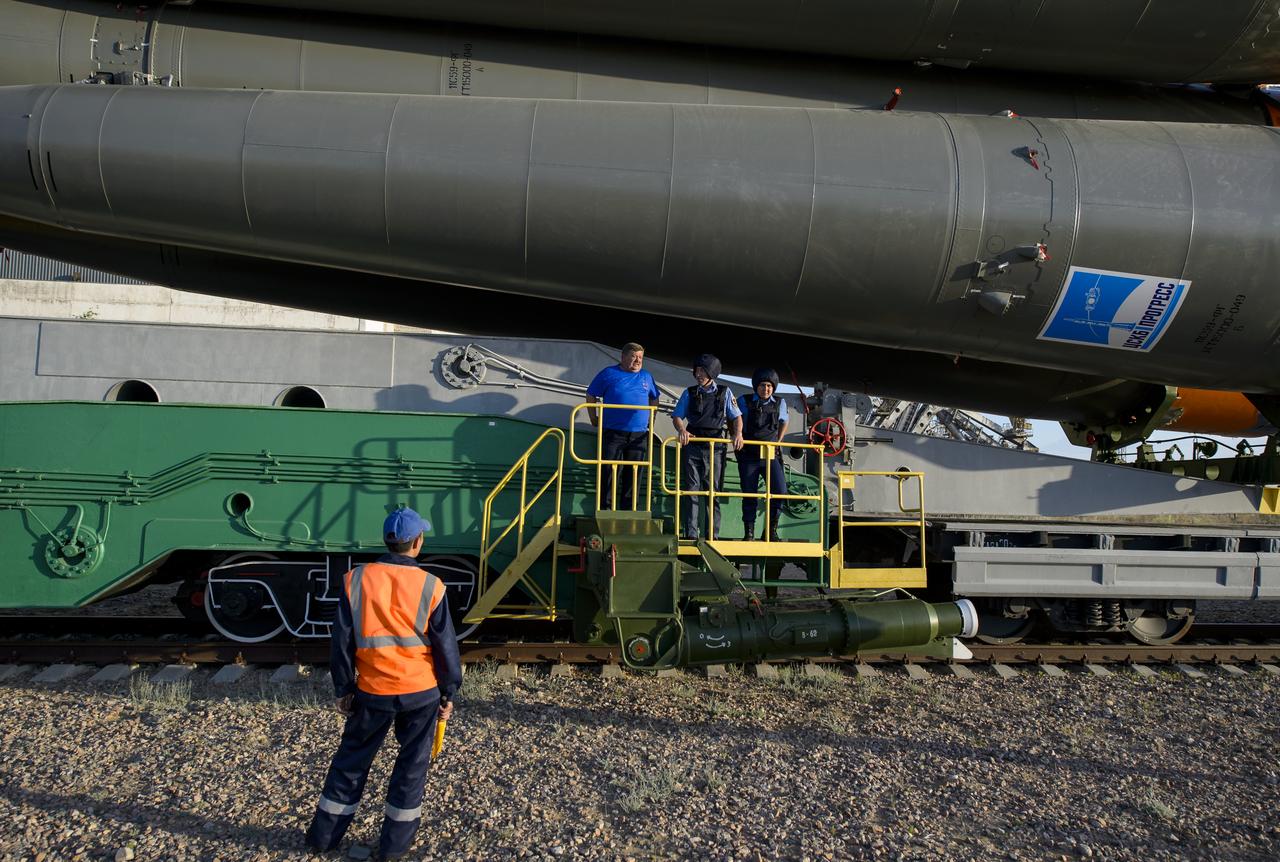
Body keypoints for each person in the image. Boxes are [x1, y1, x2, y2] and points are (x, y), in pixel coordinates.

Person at [306, 507, 462, 860]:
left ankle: (323, 839)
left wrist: (344, 687)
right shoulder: (432, 587)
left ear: (388, 541)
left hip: (371, 691)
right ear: (417, 542)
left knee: (351, 763)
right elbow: (446, 647)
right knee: (411, 768)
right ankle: (393, 849)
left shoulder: (355, 579)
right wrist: (448, 692)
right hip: (420, 693)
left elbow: (341, 641)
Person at [670, 353, 743, 539]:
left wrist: (738, 434)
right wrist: (682, 430)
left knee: (714, 491)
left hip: (715, 447)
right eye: (697, 370)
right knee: (691, 491)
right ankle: (691, 534)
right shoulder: (689, 392)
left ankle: (712, 534)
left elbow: (736, 417)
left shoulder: (725, 393)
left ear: (712, 373)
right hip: (693, 445)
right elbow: (677, 416)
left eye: (703, 371)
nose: (698, 374)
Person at [585, 342, 660, 510]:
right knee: (609, 472)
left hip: (639, 435)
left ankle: (630, 509)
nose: (638, 361)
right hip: (613, 433)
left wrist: (651, 422)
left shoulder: (646, 376)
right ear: (623, 357)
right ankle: (606, 508)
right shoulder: (609, 373)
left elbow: (654, 398)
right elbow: (591, 394)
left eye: (640, 357)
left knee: (634, 473)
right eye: (634, 357)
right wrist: (593, 417)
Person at [737, 368, 790, 541]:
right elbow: (734, 419)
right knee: (749, 494)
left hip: (770, 454)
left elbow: (784, 422)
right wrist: (737, 436)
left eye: (769, 386)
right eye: (762, 385)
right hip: (749, 455)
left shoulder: (780, 403)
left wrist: (778, 441)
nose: (765, 389)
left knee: (780, 491)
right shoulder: (744, 401)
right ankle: (749, 532)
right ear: (756, 387)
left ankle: (770, 530)